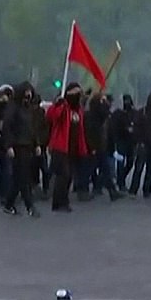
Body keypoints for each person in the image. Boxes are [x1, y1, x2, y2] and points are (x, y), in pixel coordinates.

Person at [45, 82, 88, 212]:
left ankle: (64, 200)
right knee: (63, 175)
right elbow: (51, 116)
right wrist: (58, 104)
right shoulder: (64, 107)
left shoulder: (78, 111)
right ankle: (58, 202)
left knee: (69, 176)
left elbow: (80, 131)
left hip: (73, 148)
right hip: (60, 147)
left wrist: (83, 149)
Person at [2, 82, 42, 218]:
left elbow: (32, 128)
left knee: (18, 178)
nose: (28, 95)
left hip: (28, 145)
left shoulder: (29, 109)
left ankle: (8, 204)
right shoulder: (13, 108)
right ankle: (29, 206)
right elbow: (7, 128)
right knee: (23, 177)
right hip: (18, 146)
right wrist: (9, 146)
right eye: (26, 92)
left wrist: (37, 144)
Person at [111, 94, 137, 191]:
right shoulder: (118, 113)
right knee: (120, 163)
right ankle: (121, 183)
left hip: (131, 142)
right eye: (125, 101)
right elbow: (114, 126)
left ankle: (120, 179)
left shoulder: (134, 113)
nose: (127, 103)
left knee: (130, 162)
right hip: (121, 141)